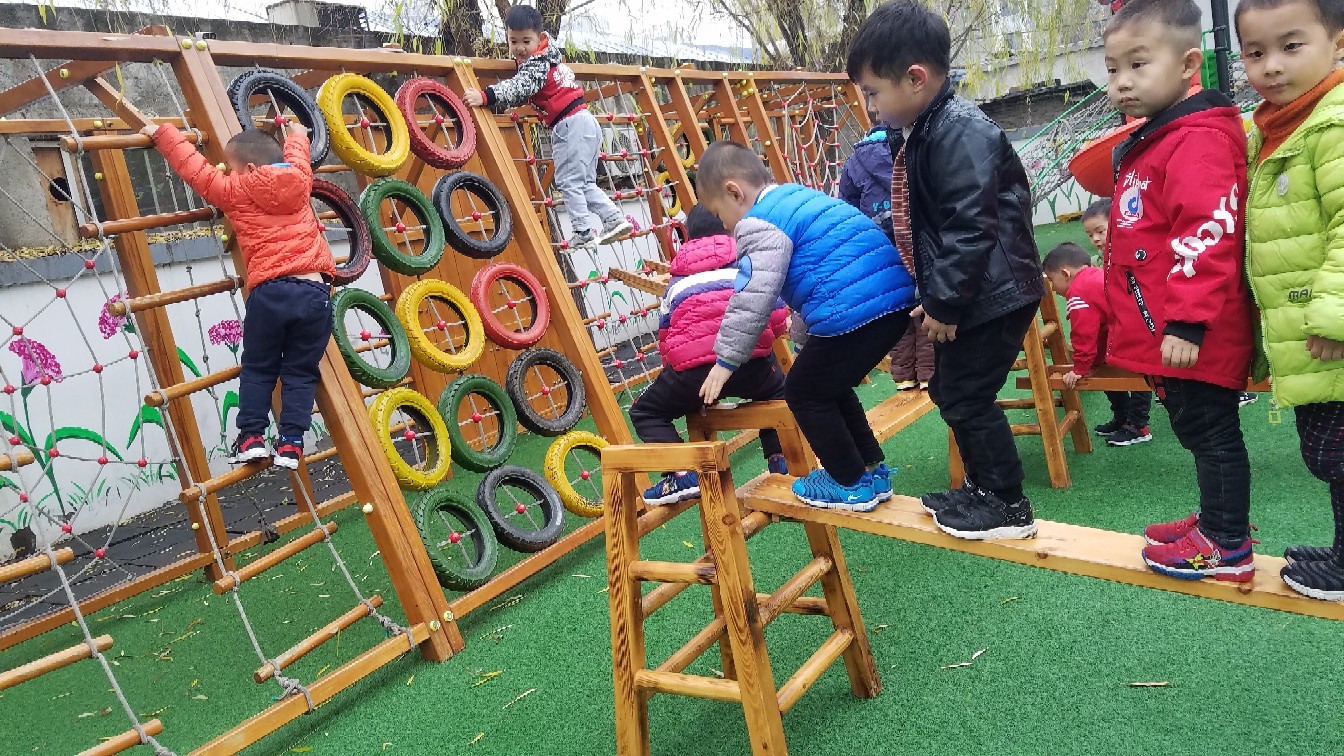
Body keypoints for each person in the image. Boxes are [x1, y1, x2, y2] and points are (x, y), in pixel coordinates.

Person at [848, 0, 1047, 540]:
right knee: (951, 391)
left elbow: (970, 226)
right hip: (975, 288)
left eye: (873, 92)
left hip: (993, 290)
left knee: (966, 394)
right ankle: (983, 490)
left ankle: (1007, 504)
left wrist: (944, 301)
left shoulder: (959, 131)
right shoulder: (922, 129)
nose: (870, 106)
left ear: (916, 79)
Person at [1102, 0, 1257, 581]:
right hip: (1172, 325)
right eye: (1113, 69)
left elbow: (1207, 231)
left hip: (1197, 328)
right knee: (1196, 427)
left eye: (1138, 65)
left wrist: (1188, 322)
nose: (1122, 82)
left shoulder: (1196, 139)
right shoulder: (1161, 137)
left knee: (1212, 430)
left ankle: (1226, 542)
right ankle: (1217, 521)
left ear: (1189, 63)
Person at [695, 141, 917, 511]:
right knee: (829, 385)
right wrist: (805, 340)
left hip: (856, 308)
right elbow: (817, 273)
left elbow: (754, 293)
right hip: (891, 300)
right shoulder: (795, 198)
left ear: (734, 192)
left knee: (802, 391)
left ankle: (848, 482)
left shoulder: (757, 222)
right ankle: (869, 471)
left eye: (719, 214)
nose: (725, 225)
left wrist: (726, 361)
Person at [143, 120, 334, 471]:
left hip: (271, 291)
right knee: (300, 372)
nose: (226, 173)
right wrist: (297, 133)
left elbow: (194, 168)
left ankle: (251, 437)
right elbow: (298, 154)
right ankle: (291, 444)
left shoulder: (234, 190)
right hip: (315, 291)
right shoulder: (300, 179)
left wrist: (162, 133)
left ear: (248, 168)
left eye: (230, 168)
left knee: (259, 367)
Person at [1238, 0, 1344, 600]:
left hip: (1330, 327)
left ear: (1338, 43)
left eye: (1291, 46)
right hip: (1304, 330)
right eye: (1255, 53)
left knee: (1338, 452)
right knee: (1329, 452)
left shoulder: (1333, 125)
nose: (1271, 65)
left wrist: (1335, 315)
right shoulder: (1275, 127)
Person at [630, 205, 790, 506]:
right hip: (750, 363)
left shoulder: (676, 283)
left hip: (694, 376)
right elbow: (777, 315)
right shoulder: (747, 265)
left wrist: (679, 374)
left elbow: (665, 339)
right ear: (730, 229)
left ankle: (682, 472)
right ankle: (780, 457)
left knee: (645, 411)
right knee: (778, 393)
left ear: (687, 237)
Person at [461, 5, 632, 250]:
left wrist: (486, 96)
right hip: (586, 121)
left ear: (540, 38)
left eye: (526, 41)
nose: (520, 48)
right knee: (584, 183)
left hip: (569, 124)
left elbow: (519, 87)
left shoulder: (537, 64)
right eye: (513, 41)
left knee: (568, 182)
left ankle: (583, 231)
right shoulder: (550, 57)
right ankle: (613, 218)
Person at [839, 114, 933, 391]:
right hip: (916, 235)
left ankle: (904, 375)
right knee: (926, 299)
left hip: (881, 243)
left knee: (897, 305)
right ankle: (928, 372)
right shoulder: (913, 146)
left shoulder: (854, 161)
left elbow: (847, 206)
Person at [1044, 242, 1155, 446]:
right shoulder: (1096, 276)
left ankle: (1137, 425)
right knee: (1109, 367)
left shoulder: (1078, 291)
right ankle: (1123, 417)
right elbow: (1101, 330)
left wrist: (1080, 368)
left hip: (1138, 337)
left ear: (1065, 273)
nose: (1052, 287)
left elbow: (1084, 333)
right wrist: (1094, 363)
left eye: (1052, 280)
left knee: (1139, 376)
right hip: (1140, 330)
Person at [1081, 198, 1111, 266]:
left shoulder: (1133, 256)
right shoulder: (1094, 263)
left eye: (1100, 231)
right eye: (1090, 235)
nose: (1095, 239)